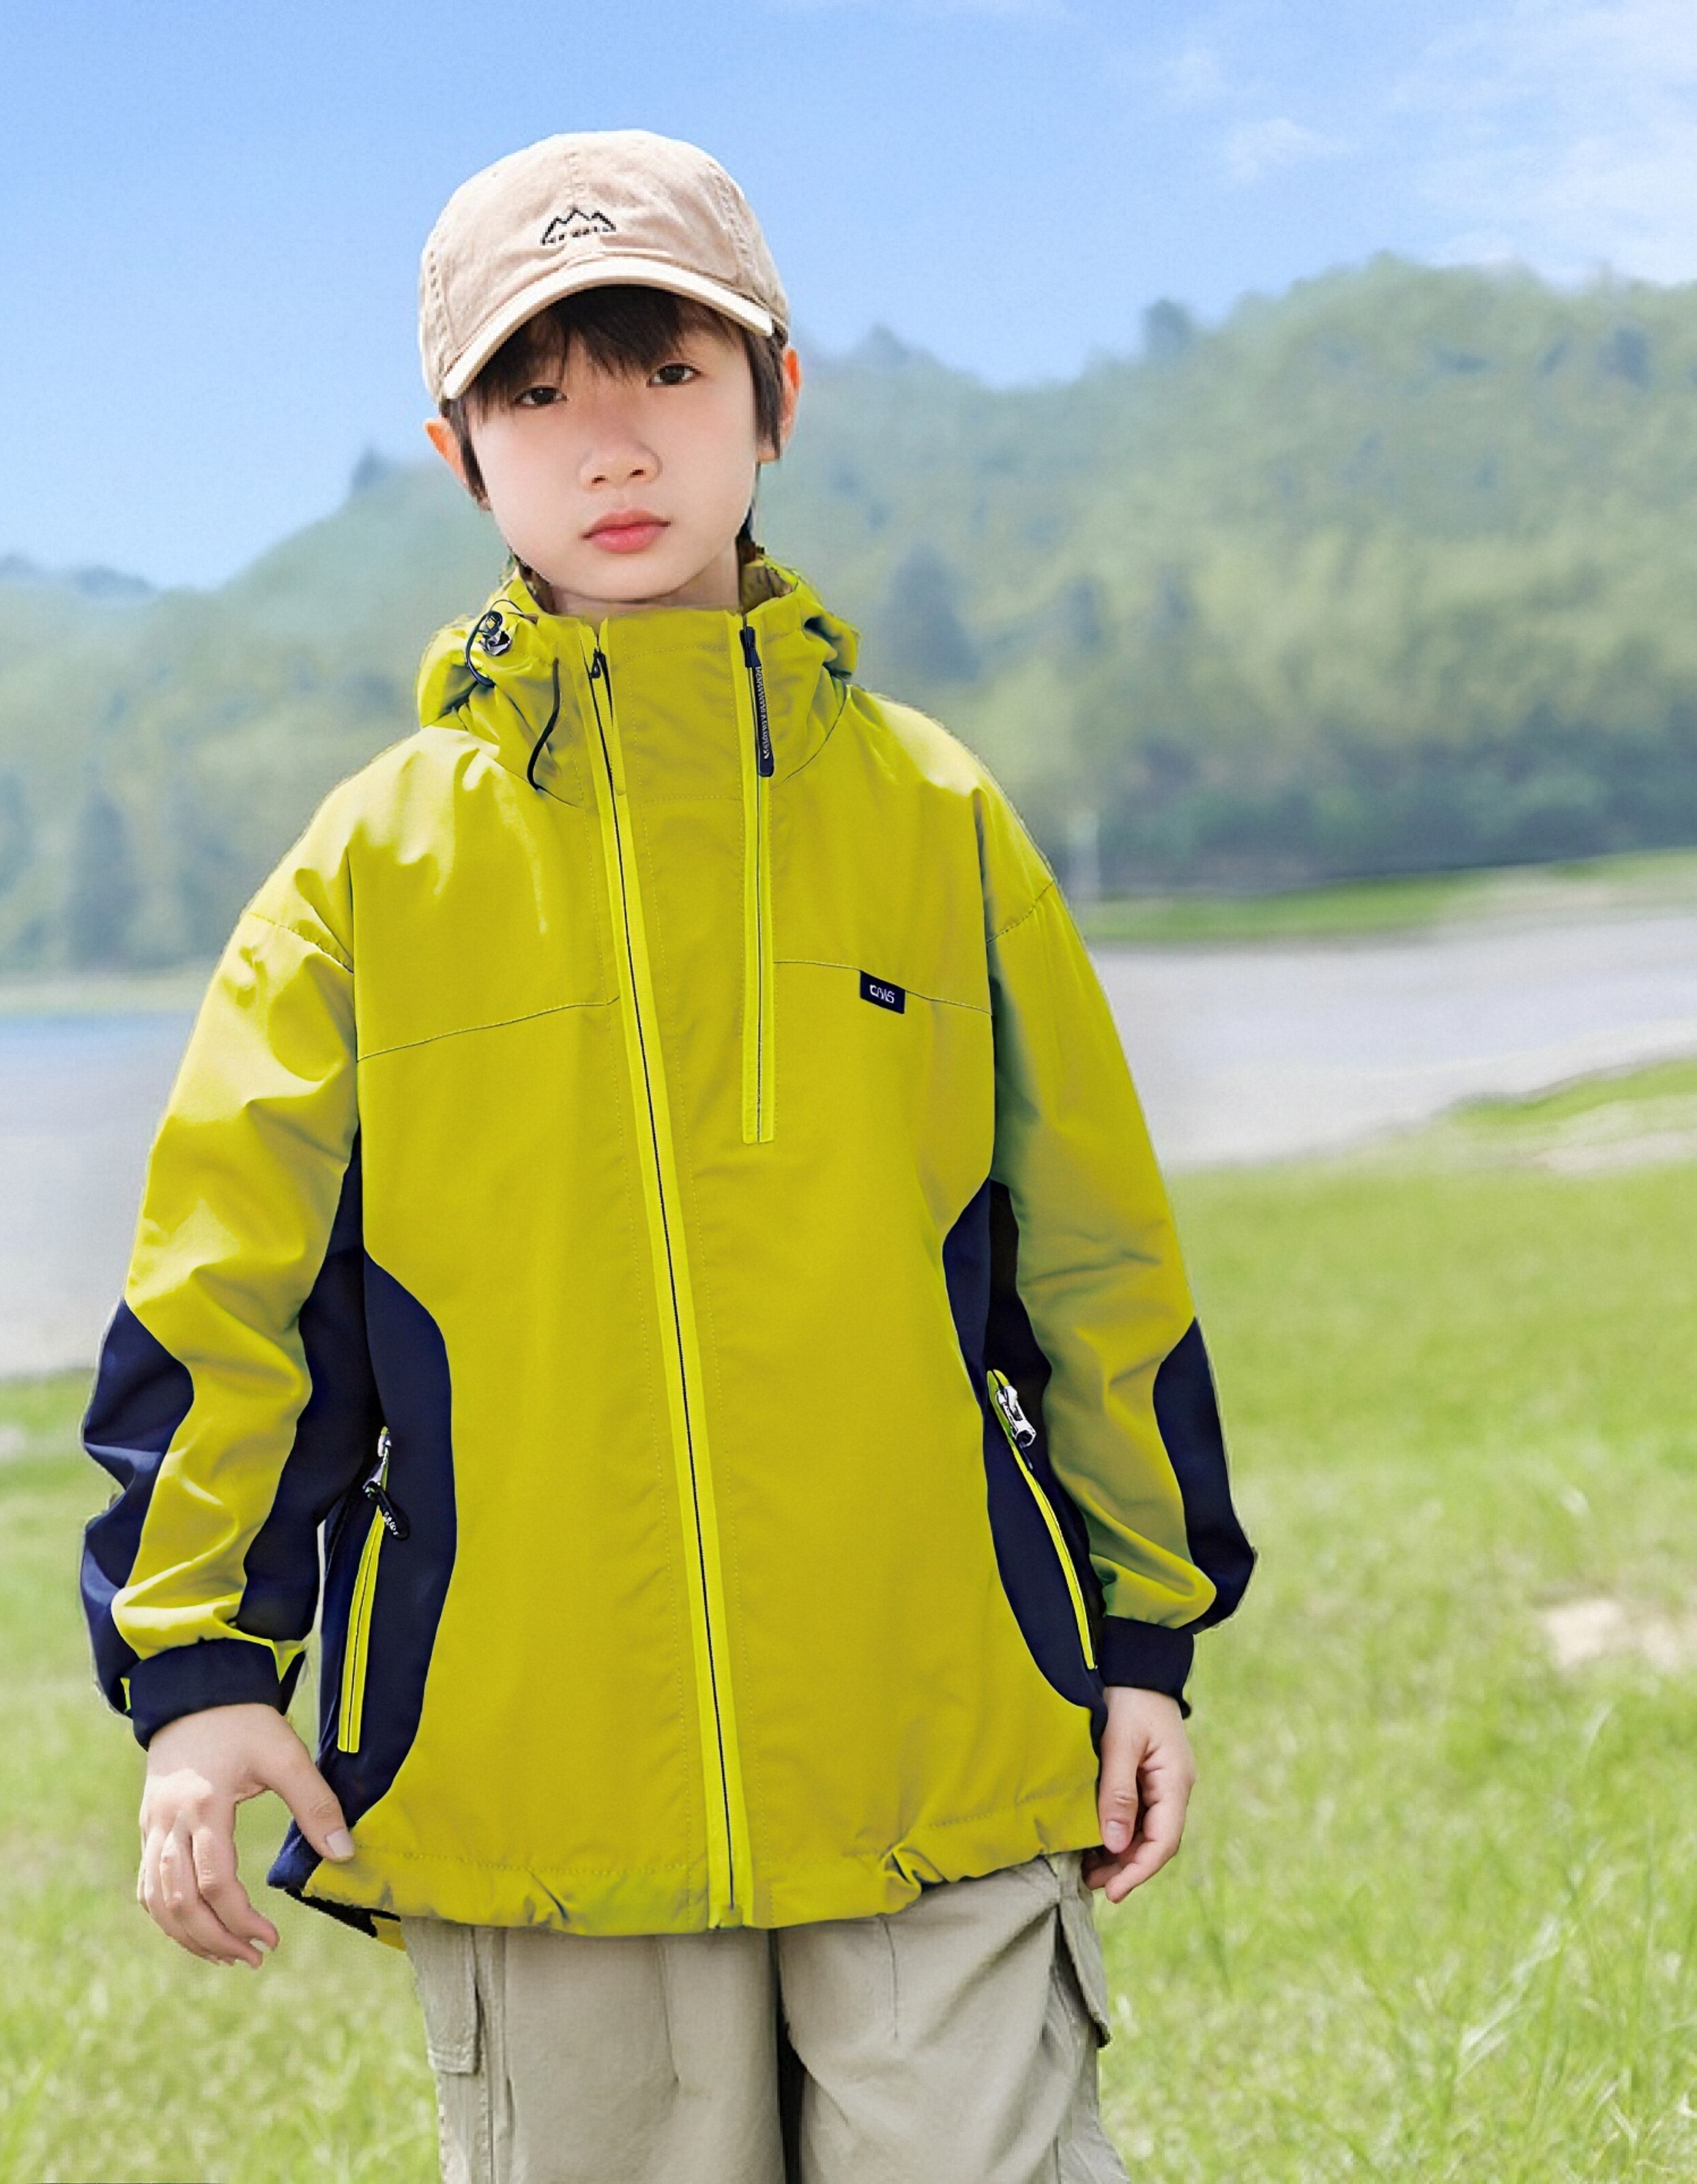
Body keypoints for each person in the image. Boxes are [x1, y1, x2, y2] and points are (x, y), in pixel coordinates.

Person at [79, 128, 1254, 2184]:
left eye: (670, 371)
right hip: (537, 1788)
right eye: (536, 393)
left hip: (938, 1743)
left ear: (776, 397)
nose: (610, 442)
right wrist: (196, 1674)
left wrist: (1144, 1637)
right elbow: (227, 1302)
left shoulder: (935, 821)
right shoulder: (368, 873)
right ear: (458, 457)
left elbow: (1095, 1262)